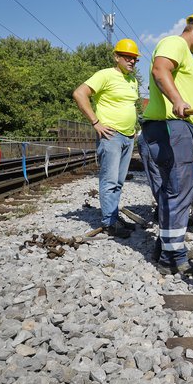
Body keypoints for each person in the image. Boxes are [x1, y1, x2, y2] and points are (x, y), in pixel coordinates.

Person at [138, 11, 193, 276]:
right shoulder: (176, 44)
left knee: (168, 192)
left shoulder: (181, 51)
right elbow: (160, 69)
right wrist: (177, 100)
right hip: (171, 128)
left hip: (167, 128)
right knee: (179, 192)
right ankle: (176, 259)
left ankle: (166, 250)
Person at [72, 38, 141, 238]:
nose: (132, 61)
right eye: (127, 57)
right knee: (109, 180)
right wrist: (95, 122)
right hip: (111, 136)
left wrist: (133, 129)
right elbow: (79, 93)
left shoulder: (133, 81)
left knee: (119, 181)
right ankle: (109, 223)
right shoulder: (105, 75)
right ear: (116, 57)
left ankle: (113, 216)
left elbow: (128, 107)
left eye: (135, 59)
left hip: (128, 137)